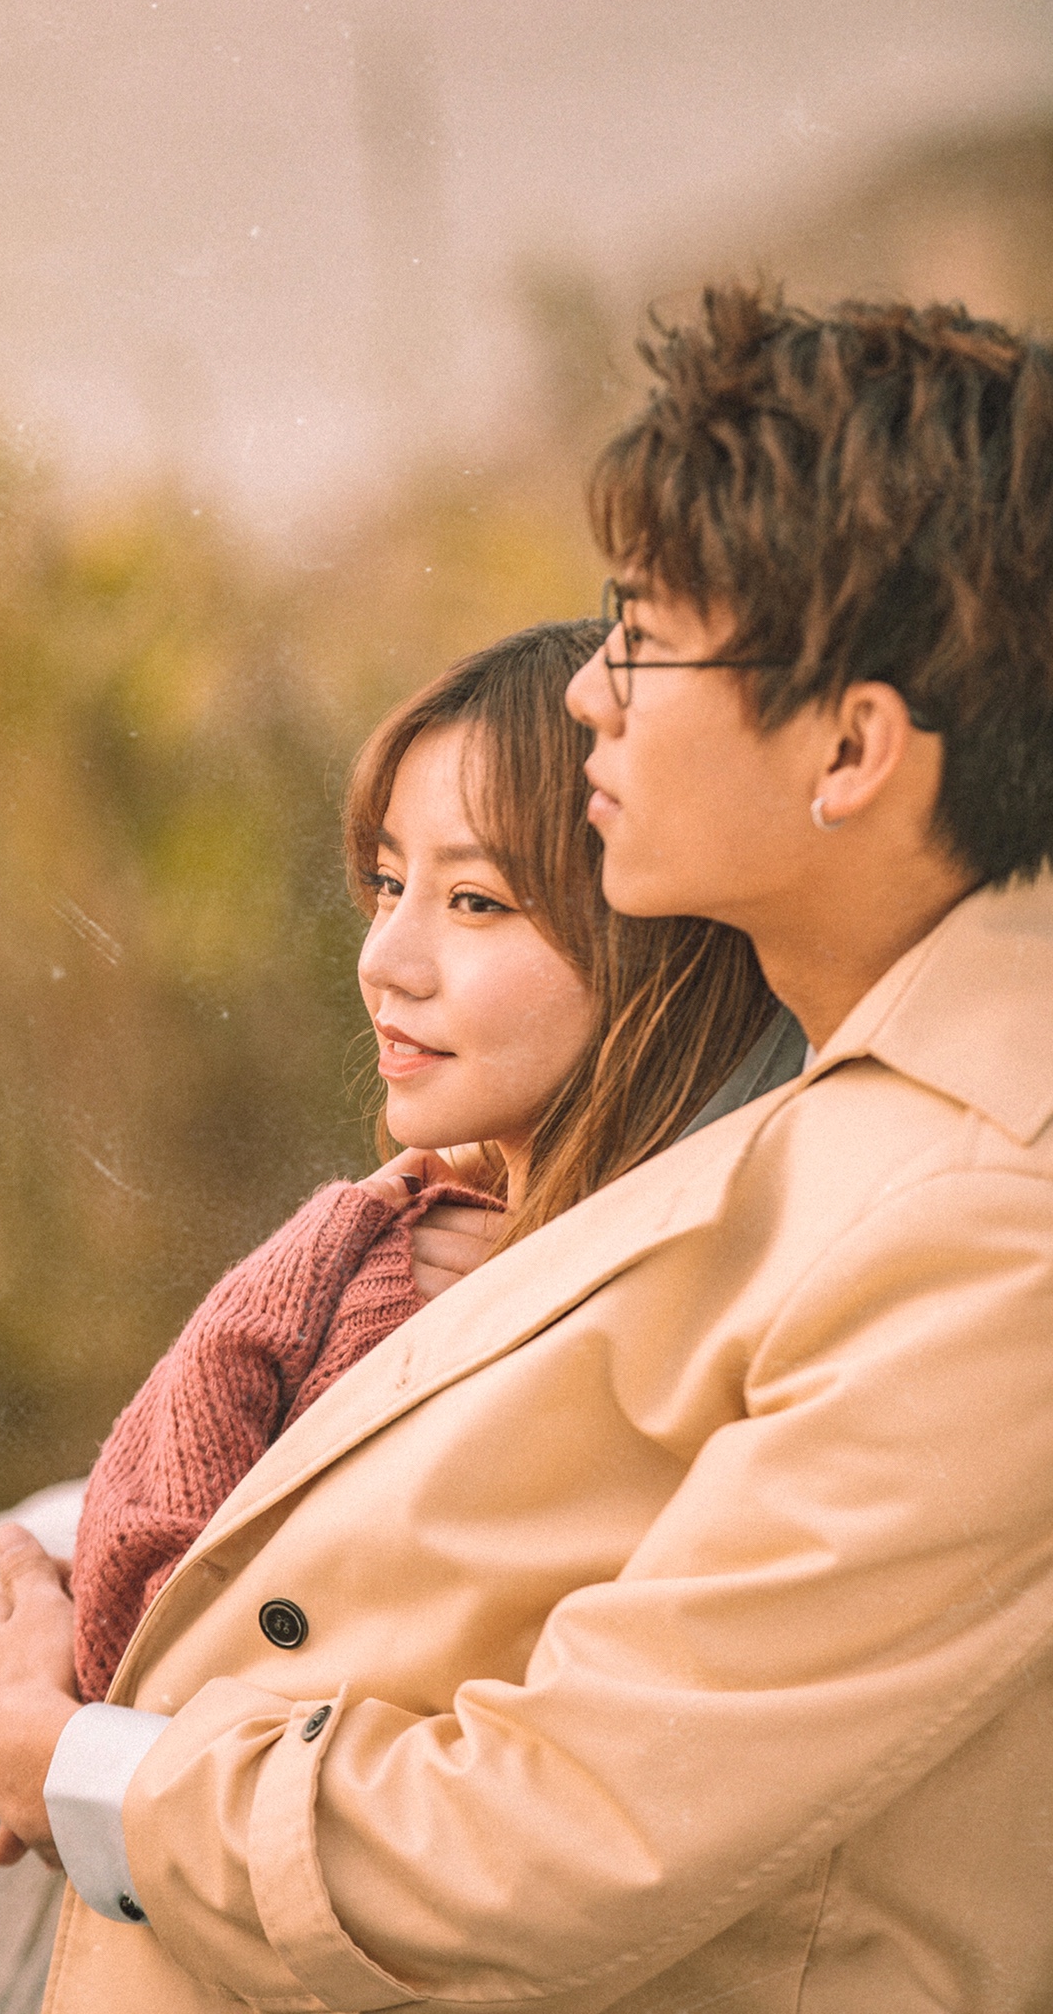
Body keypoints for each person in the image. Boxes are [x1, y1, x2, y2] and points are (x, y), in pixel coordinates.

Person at [0, 289, 1053, 2013]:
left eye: (646, 641)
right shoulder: (857, 1105)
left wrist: (75, 1764)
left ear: (850, 748)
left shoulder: (986, 1215)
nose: (590, 692)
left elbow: (559, 1831)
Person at [67, 618, 784, 1707]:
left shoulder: (648, 1330)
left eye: (476, 901)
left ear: (656, 933)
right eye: (387, 883)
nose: (384, 960)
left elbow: (163, 1664)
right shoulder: (403, 1257)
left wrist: (36, 1692)